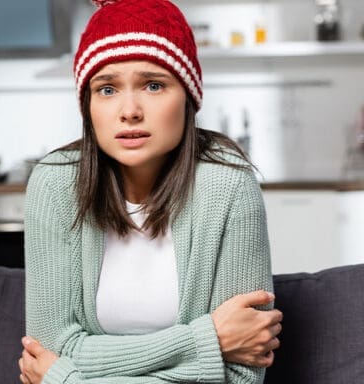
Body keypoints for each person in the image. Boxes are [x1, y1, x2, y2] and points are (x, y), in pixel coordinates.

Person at [19, 0, 282, 383]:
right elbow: (50, 348)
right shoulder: (56, 183)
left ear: (188, 97)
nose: (129, 111)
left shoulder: (228, 187)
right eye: (107, 89)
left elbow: (240, 376)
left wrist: (68, 379)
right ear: (88, 105)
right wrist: (207, 339)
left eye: (154, 85)